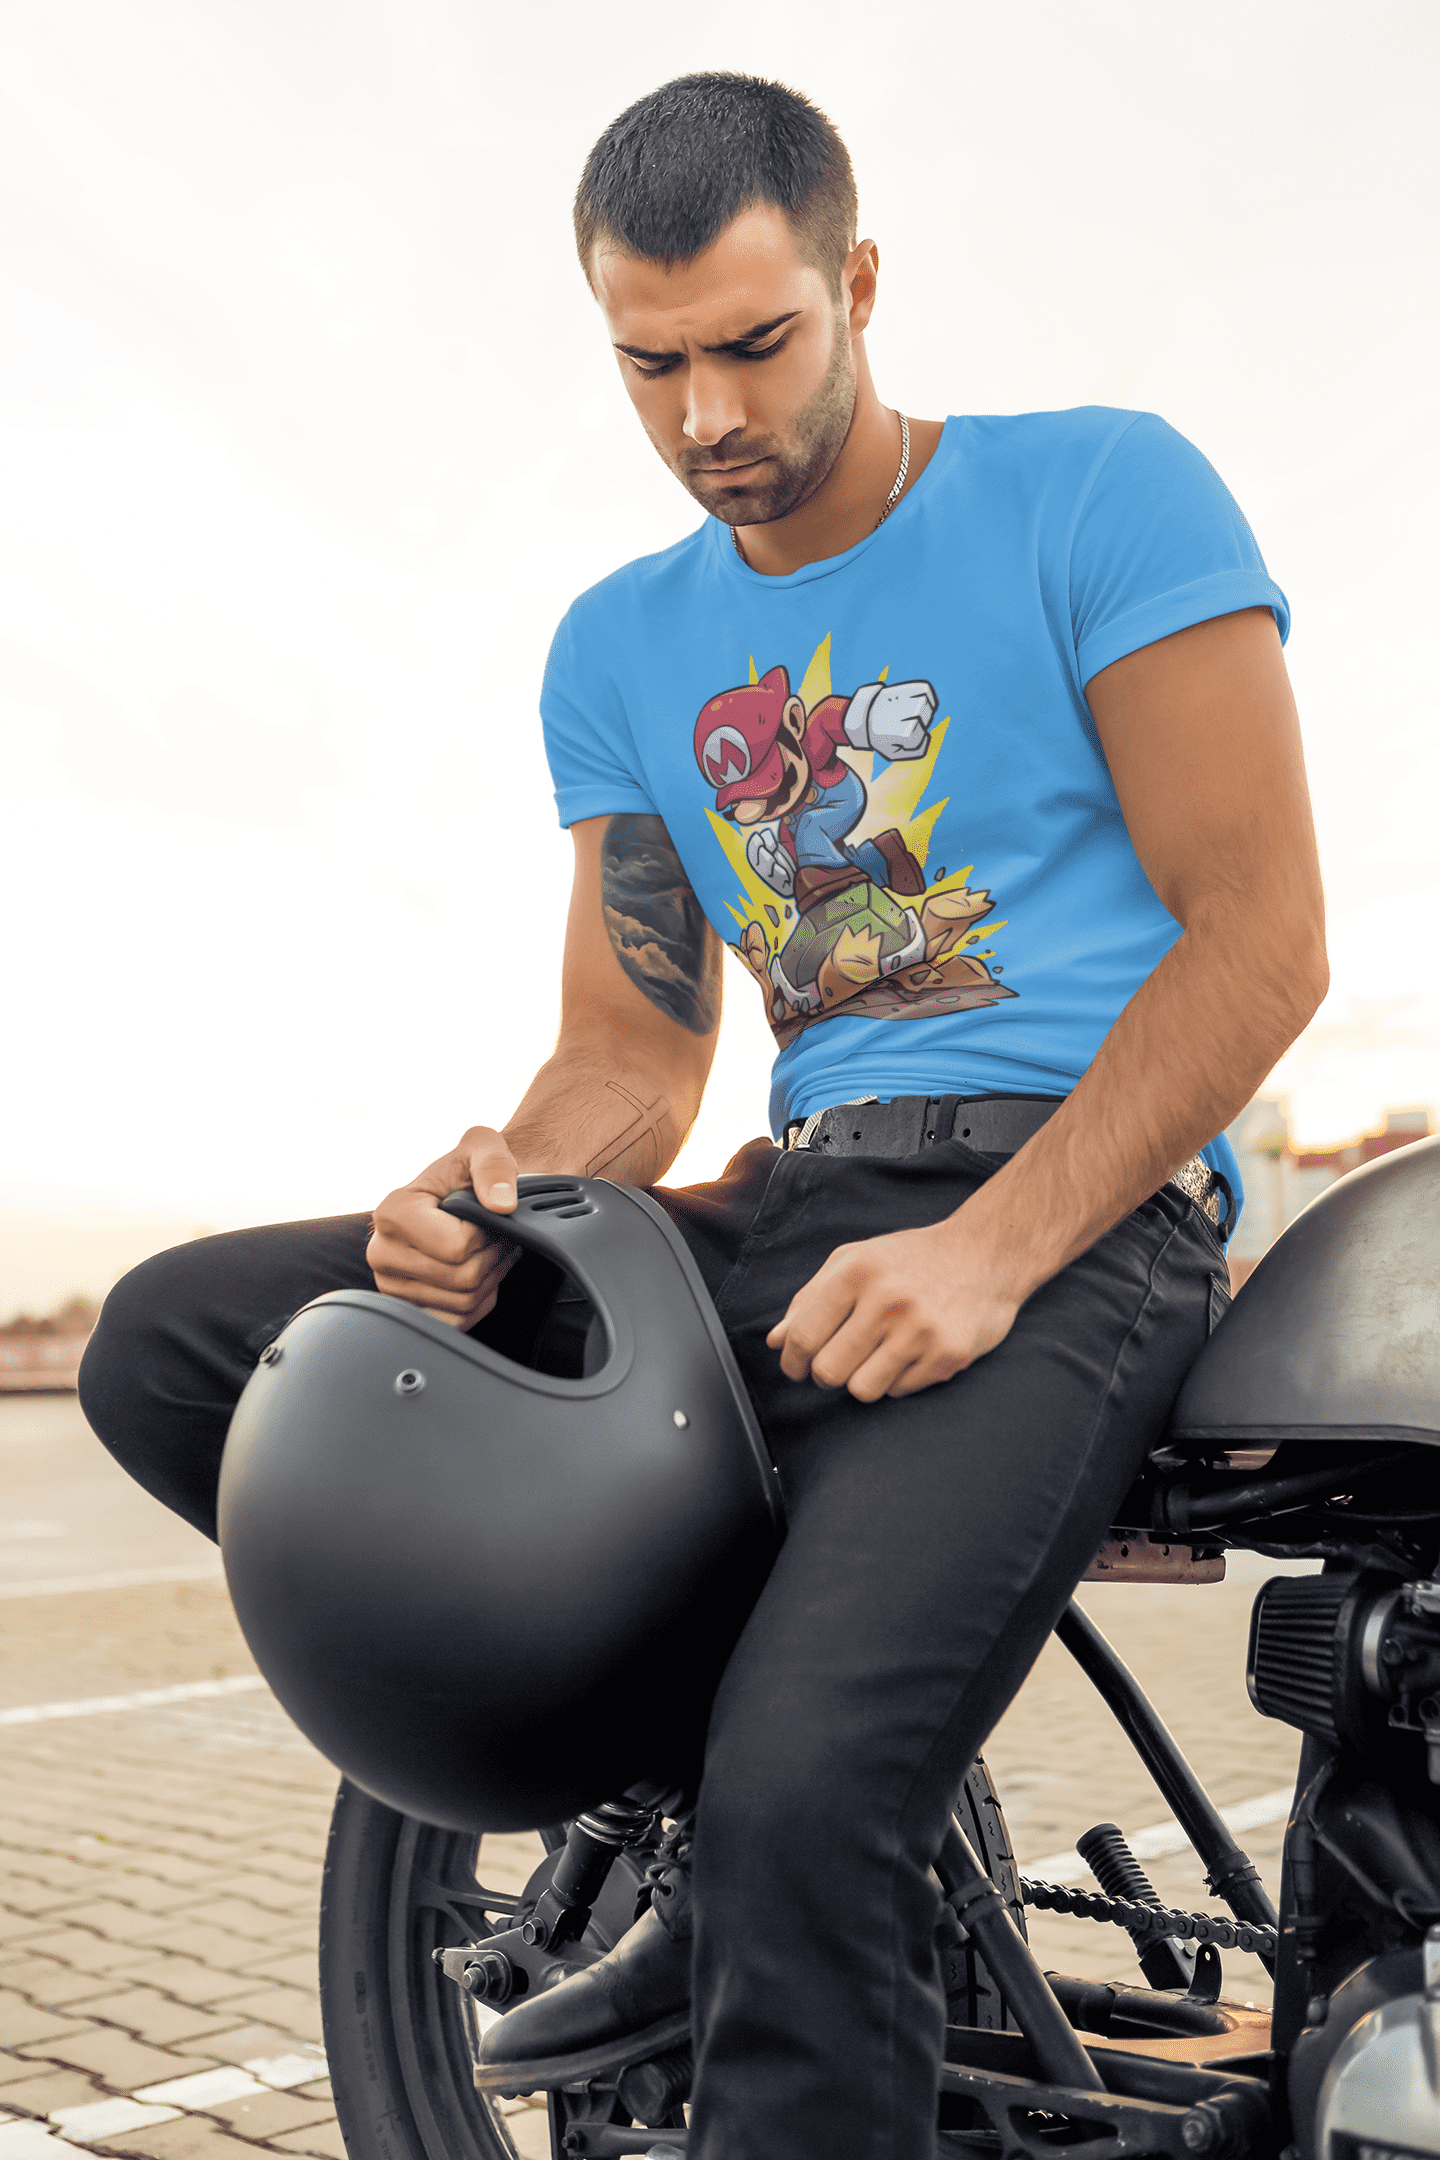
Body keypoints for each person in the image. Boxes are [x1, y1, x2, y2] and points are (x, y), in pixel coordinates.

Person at [80, 71, 1328, 2160]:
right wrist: (495, 1189)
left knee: (813, 1793)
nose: (706, 415)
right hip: (786, 1209)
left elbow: (1263, 941)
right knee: (188, 1348)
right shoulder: (622, 645)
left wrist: (991, 1249)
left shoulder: (1104, 492)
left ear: (859, 283)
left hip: (1066, 1223)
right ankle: (685, 1804)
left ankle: (767, 1836)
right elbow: (636, 1054)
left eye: (754, 343)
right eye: (648, 364)